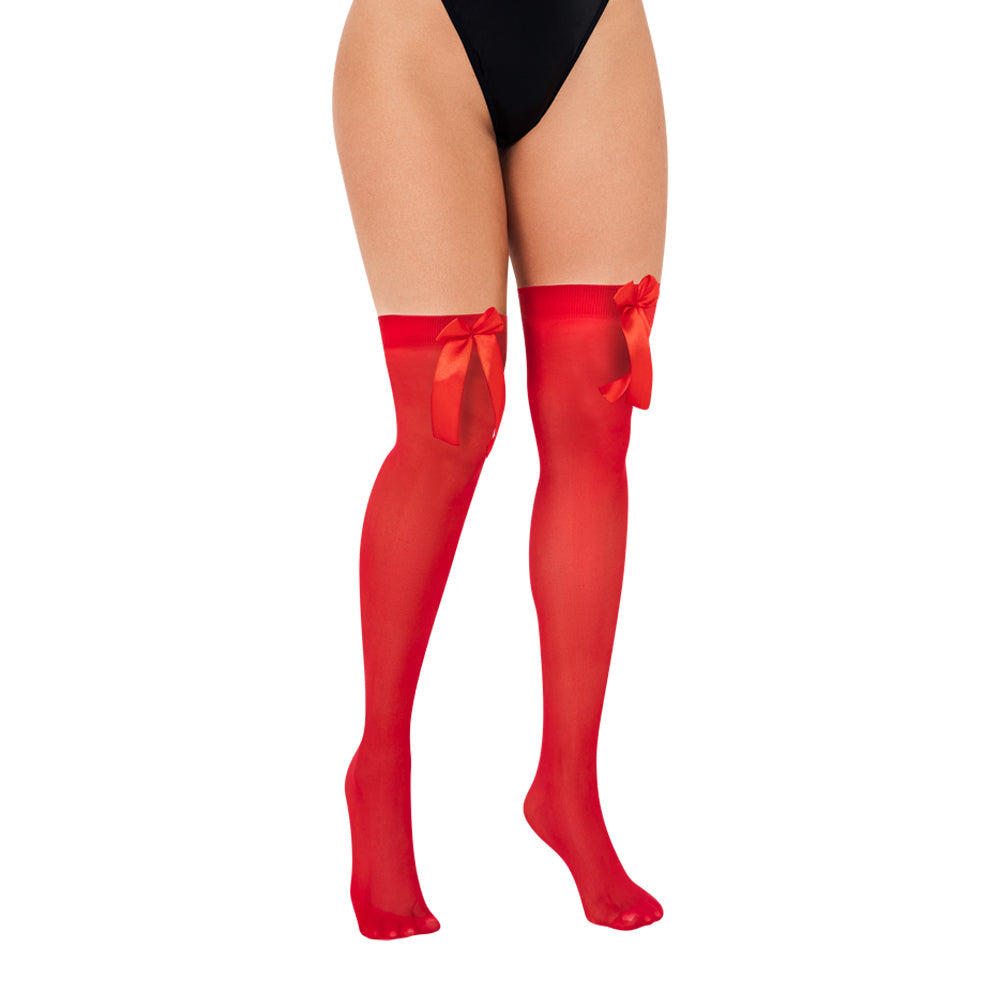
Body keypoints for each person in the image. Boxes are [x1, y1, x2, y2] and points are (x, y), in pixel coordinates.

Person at [332, 0, 668, 939]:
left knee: (597, 410)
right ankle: (380, 767)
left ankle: (568, 784)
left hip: (593, 33)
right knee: (452, 423)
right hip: (422, 37)